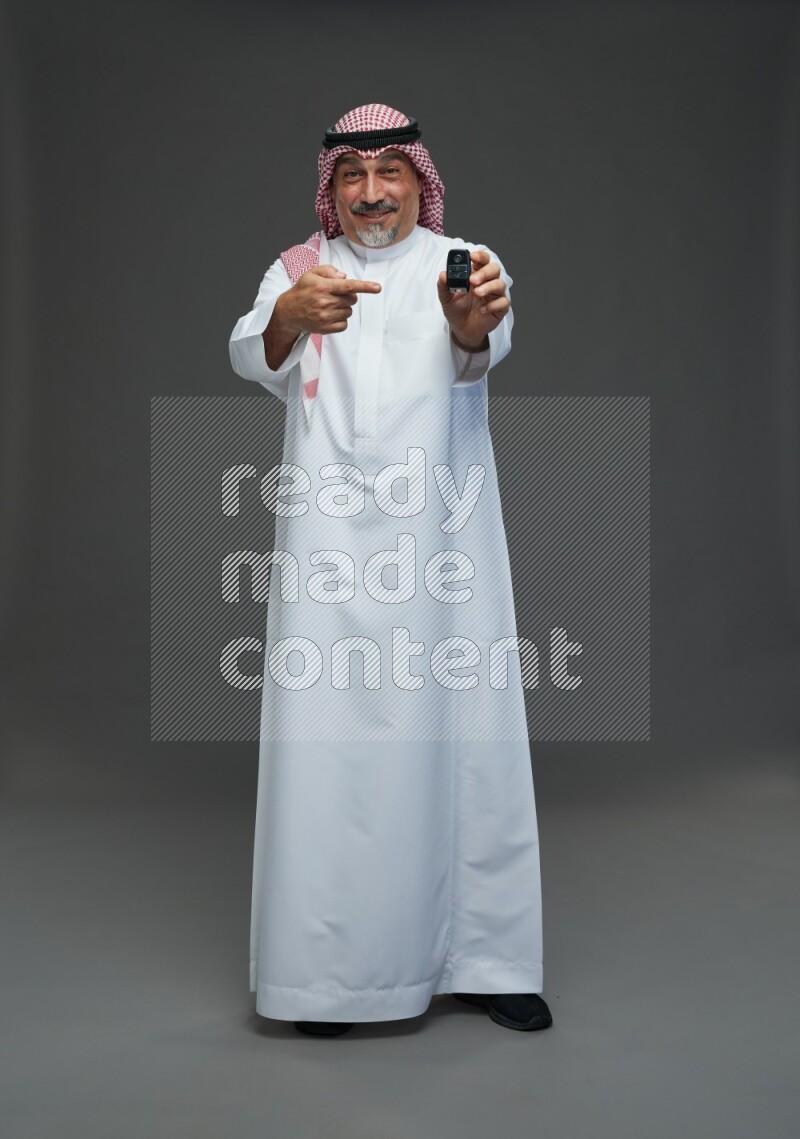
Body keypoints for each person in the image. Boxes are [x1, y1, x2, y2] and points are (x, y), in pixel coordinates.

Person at [228, 104, 552, 1037]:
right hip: (327, 556)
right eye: (353, 176)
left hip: (443, 551)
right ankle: (329, 980)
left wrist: (469, 327)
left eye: (390, 172)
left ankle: (484, 957)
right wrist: (288, 318)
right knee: (327, 752)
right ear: (331, 189)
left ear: (419, 180)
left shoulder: (465, 261)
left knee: (466, 738)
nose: (372, 192)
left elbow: (484, 344)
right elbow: (252, 352)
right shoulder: (299, 270)